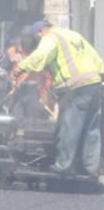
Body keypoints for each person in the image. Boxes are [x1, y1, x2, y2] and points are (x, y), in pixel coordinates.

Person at [16, 20, 104, 177]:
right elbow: (96, 58)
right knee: (92, 129)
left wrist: (21, 66)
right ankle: (91, 168)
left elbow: (41, 55)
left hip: (76, 86)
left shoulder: (50, 37)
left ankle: (64, 165)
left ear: (40, 32)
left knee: (70, 126)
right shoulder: (74, 35)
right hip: (94, 84)